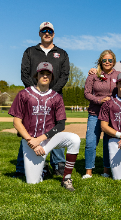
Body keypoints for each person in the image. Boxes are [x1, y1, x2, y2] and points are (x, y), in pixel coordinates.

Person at [9, 62, 80, 191]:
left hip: (49, 139)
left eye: (48, 74)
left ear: (52, 77)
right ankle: (44, 169)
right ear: (37, 75)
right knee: (33, 183)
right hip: (30, 141)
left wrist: (40, 139)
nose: (45, 76)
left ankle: (67, 178)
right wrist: (32, 142)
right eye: (42, 73)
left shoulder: (56, 97)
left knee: (74, 139)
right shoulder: (23, 94)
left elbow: (61, 125)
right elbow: (16, 122)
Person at [15, 22, 69, 178]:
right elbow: (24, 73)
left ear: (53, 33)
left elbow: (65, 75)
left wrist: (51, 92)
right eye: (44, 30)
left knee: (55, 128)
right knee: (28, 128)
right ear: (39, 33)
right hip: (32, 98)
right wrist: (36, 92)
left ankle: (58, 164)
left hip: (54, 97)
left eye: (50, 30)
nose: (47, 33)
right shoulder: (30, 51)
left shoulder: (62, 53)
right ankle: (21, 167)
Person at [83, 50, 119, 179]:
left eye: (110, 60)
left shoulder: (118, 75)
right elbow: (87, 93)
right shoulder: (93, 75)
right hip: (95, 113)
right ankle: (88, 172)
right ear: (101, 61)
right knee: (91, 142)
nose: (107, 62)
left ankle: (106, 171)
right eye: (105, 60)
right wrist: (99, 100)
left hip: (111, 115)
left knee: (108, 143)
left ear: (114, 61)